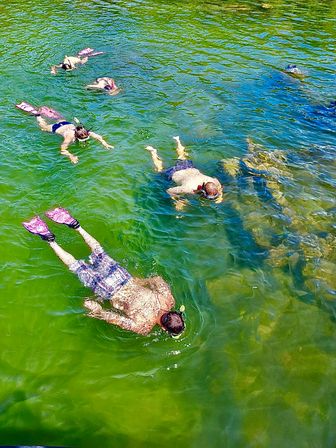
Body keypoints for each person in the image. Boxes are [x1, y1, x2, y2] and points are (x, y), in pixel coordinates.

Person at [22, 208, 185, 337]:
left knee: (99, 252)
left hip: (123, 277)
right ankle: (49, 239)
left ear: (174, 312)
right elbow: (113, 318)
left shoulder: (167, 300)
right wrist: (96, 309)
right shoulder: (143, 326)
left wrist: (139, 282)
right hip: (108, 290)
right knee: (76, 266)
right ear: (164, 329)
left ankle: (76, 225)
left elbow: (157, 279)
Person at [16, 102, 113, 164]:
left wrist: (105, 143)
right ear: (76, 136)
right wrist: (71, 156)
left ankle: (48, 113)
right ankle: (37, 115)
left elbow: (98, 137)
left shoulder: (84, 132)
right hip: (57, 128)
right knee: (43, 128)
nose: (85, 139)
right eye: (83, 139)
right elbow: (62, 149)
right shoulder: (69, 138)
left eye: (86, 138)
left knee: (61, 119)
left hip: (66, 123)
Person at [146, 136, 223, 209]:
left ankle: (177, 140)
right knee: (159, 169)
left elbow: (219, 186)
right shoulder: (188, 189)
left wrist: (220, 196)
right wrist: (179, 200)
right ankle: (153, 152)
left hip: (189, 168)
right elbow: (169, 191)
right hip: (174, 172)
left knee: (182, 156)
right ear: (202, 191)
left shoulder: (214, 182)